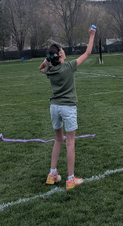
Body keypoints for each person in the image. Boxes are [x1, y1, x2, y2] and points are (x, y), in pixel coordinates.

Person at [38, 25, 97, 189]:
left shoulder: (50, 71)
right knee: (70, 142)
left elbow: (41, 69)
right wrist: (91, 36)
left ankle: (52, 174)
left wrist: (46, 62)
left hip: (54, 107)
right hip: (68, 108)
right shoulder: (69, 67)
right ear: (61, 54)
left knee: (58, 140)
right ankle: (70, 179)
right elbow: (87, 53)